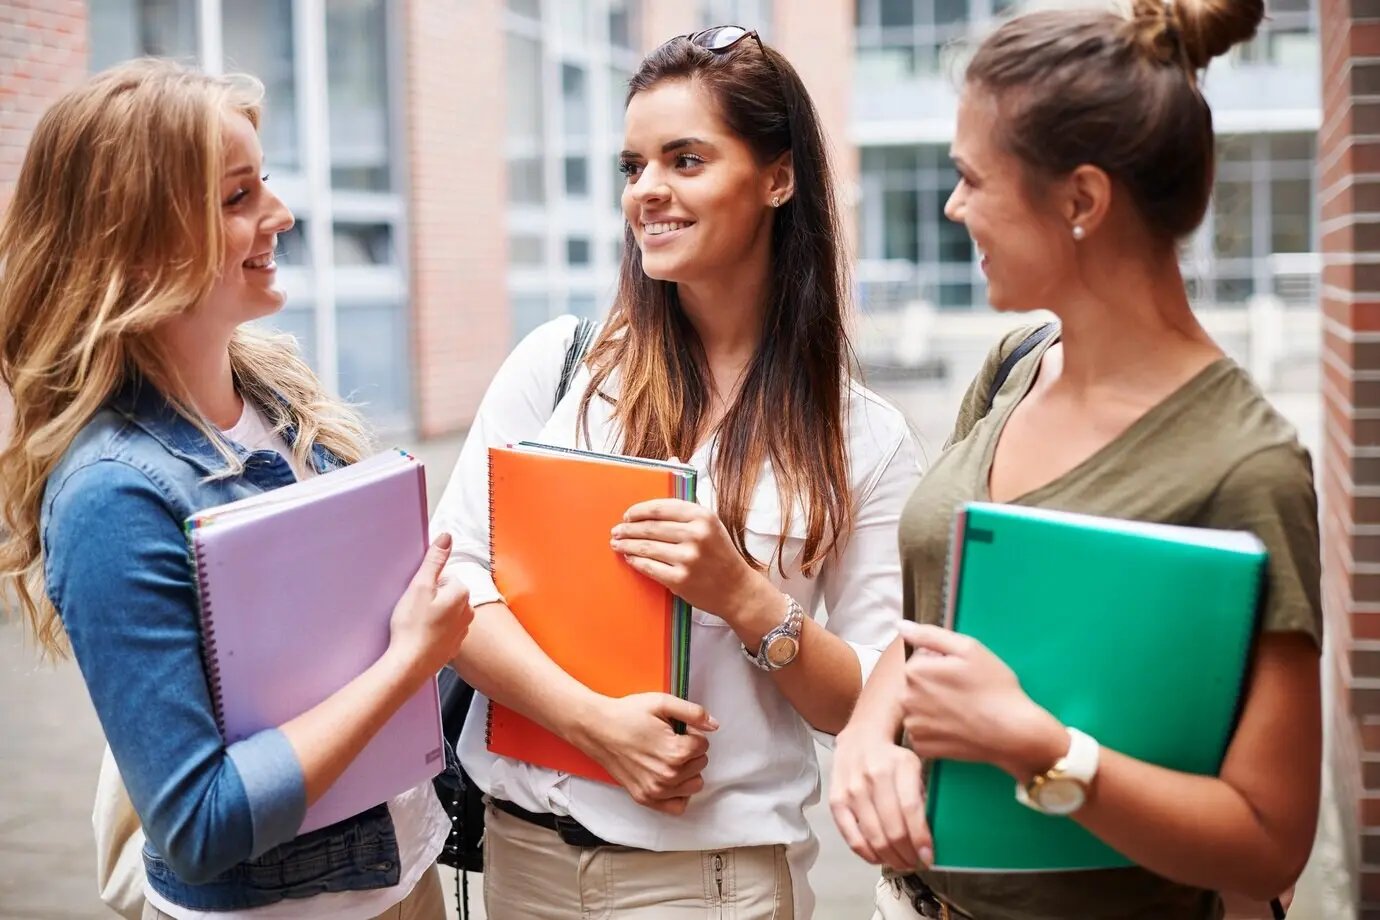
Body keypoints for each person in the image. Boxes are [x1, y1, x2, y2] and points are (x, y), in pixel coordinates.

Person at [828, 0, 1324, 917]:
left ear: (1082, 199)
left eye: (973, 179)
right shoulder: (1016, 369)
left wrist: (1042, 748)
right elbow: (934, 624)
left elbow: (1269, 841)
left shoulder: (1246, 464)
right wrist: (867, 731)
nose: (952, 206)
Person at [428, 25, 922, 920]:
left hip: (710, 888)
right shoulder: (563, 367)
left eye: (685, 160)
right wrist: (592, 725)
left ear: (778, 178)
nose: (648, 191)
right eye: (633, 166)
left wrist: (746, 598)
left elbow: (866, 700)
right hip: (520, 865)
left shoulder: (863, 439)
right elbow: (451, 587)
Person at [0, 59, 472, 920]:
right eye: (236, 197)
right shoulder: (111, 493)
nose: (280, 216)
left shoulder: (281, 398)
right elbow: (199, 821)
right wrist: (412, 658)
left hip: (401, 879)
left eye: (267, 185)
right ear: (137, 240)